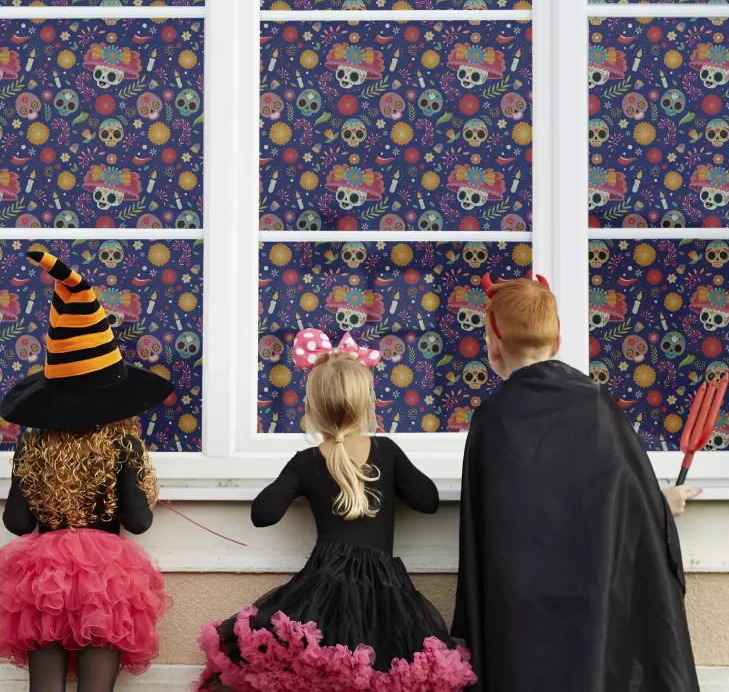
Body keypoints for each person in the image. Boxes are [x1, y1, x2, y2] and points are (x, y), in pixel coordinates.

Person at [451, 273, 701, 692]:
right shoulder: (598, 406)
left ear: (492, 344)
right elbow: (620, 495)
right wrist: (660, 503)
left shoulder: (492, 420)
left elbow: (483, 530)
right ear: (558, 340)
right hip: (593, 606)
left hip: (519, 618)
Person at [198, 329, 476, 692]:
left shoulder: (307, 461)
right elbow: (428, 501)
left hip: (321, 591)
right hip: (385, 592)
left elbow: (262, 514)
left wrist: (300, 477)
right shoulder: (387, 452)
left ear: (312, 408)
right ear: (367, 404)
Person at [0, 250, 173, 692]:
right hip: (107, 577)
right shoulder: (122, 444)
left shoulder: (33, 444)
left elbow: (17, 522)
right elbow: (138, 521)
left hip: (42, 576)